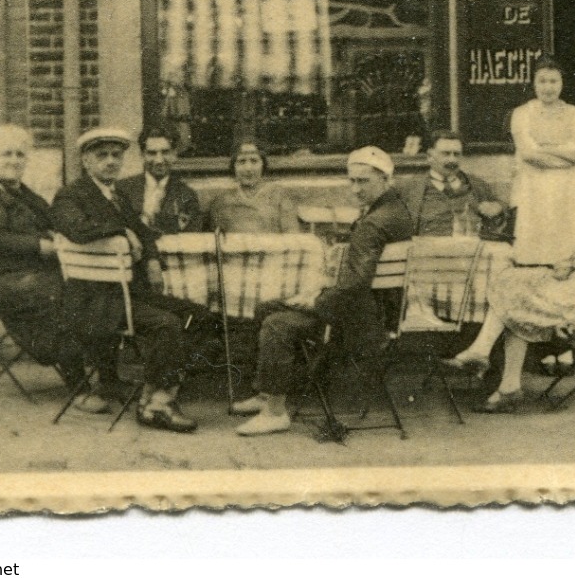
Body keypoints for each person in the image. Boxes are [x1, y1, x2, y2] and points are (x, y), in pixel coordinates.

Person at [441, 143, 575, 414]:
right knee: (512, 283)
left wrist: (572, 265)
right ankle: (494, 368)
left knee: (517, 294)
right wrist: (569, 264)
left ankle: (496, 371)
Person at [232, 146, 416, 437]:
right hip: (378, 311)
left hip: (360, 321)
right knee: (267, 307)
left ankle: (275, 413)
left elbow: (355, 284)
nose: (355, 189)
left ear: (385, 180)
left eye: (363, 182)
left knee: (276, 323)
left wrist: (314, 301)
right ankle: (268, 392)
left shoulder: (373, 224)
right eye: (352, 180)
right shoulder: (396, 211)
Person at [47, 126, 202, 433]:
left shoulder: (116, 195)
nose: (110, 162)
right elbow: (76, 229)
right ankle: (157, 405)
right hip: (94, 299)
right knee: (166, 323)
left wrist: (153, 260)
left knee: (196, 314)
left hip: (124, 292)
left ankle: (155, 390)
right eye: (101, 155)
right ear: (86, 161)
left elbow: (143, 232)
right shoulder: (71, 195)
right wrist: (120, 231)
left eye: (116, 156)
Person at [0, 124, 103, 412]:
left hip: (24, 276)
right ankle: (78, 385)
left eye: (20, 154)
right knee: (58, 293)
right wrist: (40, 246)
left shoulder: (25, 195)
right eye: (7, 154)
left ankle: (103, 377)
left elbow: (52, 220)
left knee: (82, 287)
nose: (13, 160)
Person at [508, 58, 575, 263]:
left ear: (562, 83)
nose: (548, 87)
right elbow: (528, 153)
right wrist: (567, 157)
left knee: (567, 250)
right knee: (535, 248)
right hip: (534, 190)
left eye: (553, 81)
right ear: (534, 84)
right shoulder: (522, 114)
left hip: (568, 190)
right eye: (542, 81)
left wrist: (546, 149)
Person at [397, 131, 509, 241]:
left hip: (469, 252)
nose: (452, 160)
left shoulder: (477, 185)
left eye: (456, 154)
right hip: (428, 252)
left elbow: (503, 209)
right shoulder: (409, 188)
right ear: (430, 156)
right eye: (446, 154)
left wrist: (498, 208)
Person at [117, 126, 207, 237]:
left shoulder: (186, 195)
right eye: (152, 153)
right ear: (142, 155)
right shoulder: (122, 189)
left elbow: (190, 236)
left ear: (174, 154)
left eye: (165, 152)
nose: (159, 160)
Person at [208, 139, 299, 235]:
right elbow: (217, 241)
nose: (248, 168)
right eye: (242, 161)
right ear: (233, 167)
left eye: (254, 161)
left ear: (263, 165)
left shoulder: (279, 195)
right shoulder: (222, 200)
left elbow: (292, 234)